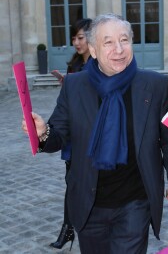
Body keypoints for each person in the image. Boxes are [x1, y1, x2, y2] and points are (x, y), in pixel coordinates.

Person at [22, 13, 168, 253]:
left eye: (124, 40)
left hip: (135, 202)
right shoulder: (75, 85)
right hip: (89, 206)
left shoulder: (154, 85)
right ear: (94, 49)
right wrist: (43, 132)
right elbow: (58, 136)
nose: (118, 49)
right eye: (108, 42)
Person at [49, 18, 92, 250]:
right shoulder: (74, 65)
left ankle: (81, 226)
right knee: (71, 182)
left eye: (80, 37)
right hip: (73, 130)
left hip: (90, 131)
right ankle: (67, 229)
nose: (76, 42)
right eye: (74, 38)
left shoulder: (98, 64)